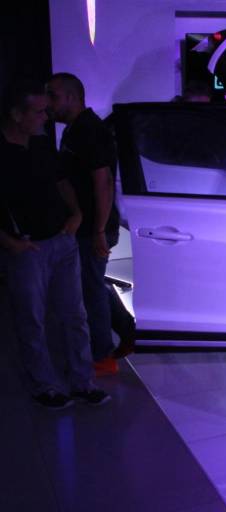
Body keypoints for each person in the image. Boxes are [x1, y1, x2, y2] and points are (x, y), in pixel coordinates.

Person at [0, 80, 110, 408]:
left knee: (74, 314)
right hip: (27, 246)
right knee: (32, 319)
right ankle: (44, 385)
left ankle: (82, 381)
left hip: (61, 239)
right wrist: (8, 241)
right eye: (38, 112)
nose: (45, 117)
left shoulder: (41, 143)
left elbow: (61, 180)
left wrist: (76, 214)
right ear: (17, 115)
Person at [46, 72, 126, 374]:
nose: (49, 102)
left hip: (93, 227)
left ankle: (102, 355)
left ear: (71, 97)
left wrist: (98, 231)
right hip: (87, 226)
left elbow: (103, 182)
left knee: (89, 289)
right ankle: (125, 334)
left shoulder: (89, 130)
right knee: (92, 285)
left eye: (53, 95)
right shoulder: (76, 129)